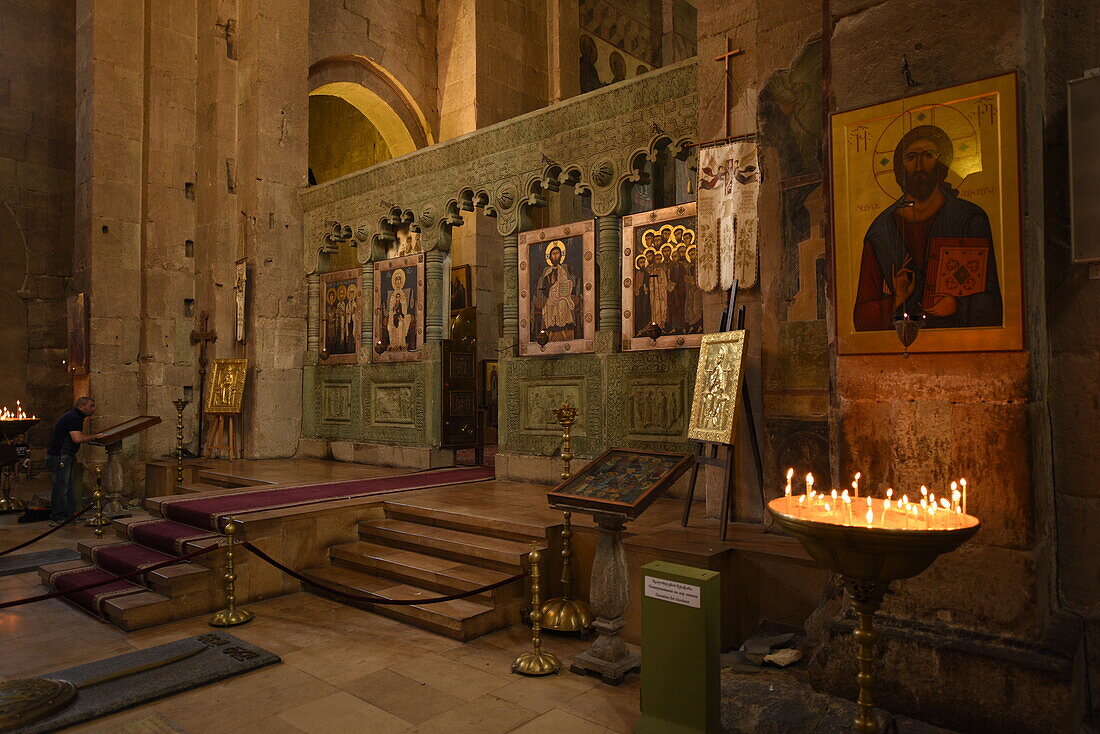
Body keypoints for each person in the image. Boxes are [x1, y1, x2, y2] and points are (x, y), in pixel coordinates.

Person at [853, 124, 1002, 331]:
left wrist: (958, 304)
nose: (920, 166)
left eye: (929, 155)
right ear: (899, 167)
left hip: (956, 342)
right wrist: (897, 298)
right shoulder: (881, 231)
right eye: (911, 157)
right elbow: (862, 317)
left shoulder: (969, 219)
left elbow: (992, 301)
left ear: (943, 164)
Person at [46, 397, 104, 526]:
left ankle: (69, 516)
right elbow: (77, 438)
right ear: (82, 406)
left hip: (67, 455)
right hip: (61, 456)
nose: (94, 409)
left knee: (70, 487)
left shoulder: (75, 416)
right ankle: (58, 518)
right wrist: (96, 436)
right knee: (61, 487)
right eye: (91, 406)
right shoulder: (74, 417)